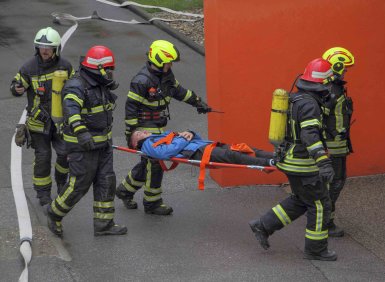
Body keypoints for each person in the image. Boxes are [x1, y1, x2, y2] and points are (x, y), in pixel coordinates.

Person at [249, 58, 337, 261]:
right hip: (303, 164)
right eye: (328, 82)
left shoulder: (297, 99)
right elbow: (309, 135)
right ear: (322, 83)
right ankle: (316, 250)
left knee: (300, 200)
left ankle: (263, 226)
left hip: (291, 160)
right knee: (320, 204)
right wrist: (323, 161)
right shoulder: (310, 105)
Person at [116, 40, 212, 215]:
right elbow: (130, 109)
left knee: (147, 164)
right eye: (168, 62)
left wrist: (197, 102)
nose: (170, 65)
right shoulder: (141, 81)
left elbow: (179, 91)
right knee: (155, 164)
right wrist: (131, 134)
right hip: (144, 128)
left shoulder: (166, 76)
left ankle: (124, 190)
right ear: (159, 60)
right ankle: (152, 203)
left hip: (159, 126)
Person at [47, 45, 127, 237]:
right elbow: (71, 110)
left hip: (103, 145)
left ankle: (103, 224)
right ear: (97, 68)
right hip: (83, 146)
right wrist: (82, 133)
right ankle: (54, 214)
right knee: (79, 185)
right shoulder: (76, 85)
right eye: (108, 69)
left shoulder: (99, 84)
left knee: (106, 181)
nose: (111, 73)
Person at [10, 27, 75, 206]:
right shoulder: (28, 67)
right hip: (39, 123)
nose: (44, 50)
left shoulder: (66, 66)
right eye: (41, 47)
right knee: (43, 157)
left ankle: (62, 181)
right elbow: (16, 84)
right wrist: (16, 88)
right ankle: (43, 194)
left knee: (64, 154)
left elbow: (76, 87)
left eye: (48, 47)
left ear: (56, 49)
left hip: (61, 121)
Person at [322, 47, 355, 237]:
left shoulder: (335, 87)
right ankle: (326, 222)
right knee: (334, 183)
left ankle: (326, 219)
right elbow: (322, 116)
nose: (346, 71)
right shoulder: (332, 90)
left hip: (338, 144)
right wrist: (333, 134)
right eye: (345, 68)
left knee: (337, 182)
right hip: (333, 146)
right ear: (338, 65)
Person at [130, 130, 275, 167]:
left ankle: (274, 156)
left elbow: (193, 138)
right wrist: (183, 138)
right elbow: (165, 153)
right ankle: (269, 163)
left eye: (140, 130)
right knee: (232, 156)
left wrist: (191, 133)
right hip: (197, 152)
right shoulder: (148, 145)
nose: (141, 131)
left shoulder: (160, 136)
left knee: (243, 148)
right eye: (138, 134)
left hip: (204, 145)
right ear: (136, 144)